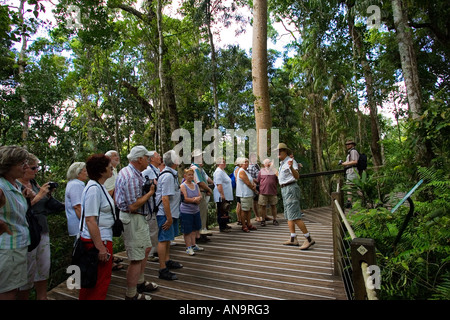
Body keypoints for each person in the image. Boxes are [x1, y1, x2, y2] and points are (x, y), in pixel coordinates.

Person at [115, 145, 158, 300]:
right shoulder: (132, 177)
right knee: (136, 257)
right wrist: (151, 193)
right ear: (140, 159)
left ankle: (140, 282)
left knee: (145, 249)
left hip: (138, 218)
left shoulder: (130, 172)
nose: (149, 160)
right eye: (147, 158)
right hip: (133, 218)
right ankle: (131, 294)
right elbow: (133, 205)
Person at [78, 154, 116, 300]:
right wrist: (100, 247)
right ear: (101, 170)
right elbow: (90, 220)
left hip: (102, 238)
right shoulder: (94, 189)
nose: (111, 168)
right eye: (108, 166)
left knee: (96, 280)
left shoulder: (99, 187)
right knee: (98, 281)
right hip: (98, 242)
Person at [16, 154, 53, 300]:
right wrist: (39, 196)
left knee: (43, 267)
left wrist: (46, 195)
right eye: (33, 167)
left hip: (42, 229)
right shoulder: (14, 186)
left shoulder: (34, 183)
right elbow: (20, 210)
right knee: (28, 269)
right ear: (23, 168)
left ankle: (42, 296)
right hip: (27, 233)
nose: (36, 170)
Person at [0, 145, 30, 300]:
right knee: (8, 292)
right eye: (21, 164)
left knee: (14, 288)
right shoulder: (1, 187)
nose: (26, 167)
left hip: (18, 245)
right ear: (8, 165)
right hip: (8, 247)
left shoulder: (16, 185)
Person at [277, 143, 315, 250]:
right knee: (289, 215)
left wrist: (291, 168)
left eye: (280, 151)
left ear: (285, 152)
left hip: (291, 188)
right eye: (277, 151)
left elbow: (297, 176)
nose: (278, 153)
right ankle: (293, 239)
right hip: (284, 189)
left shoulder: (291, 161)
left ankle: (308, 238)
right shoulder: (282, 164)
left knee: (295, 215)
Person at [155, 150, 183, 280]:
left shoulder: (172, 174)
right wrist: (169, 217)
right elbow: (165, 198)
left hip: (171, 212)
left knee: (167, 240)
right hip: (165, 214)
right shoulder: (167, 176)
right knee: (163, 239)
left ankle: (167, 260)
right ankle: (162, 269)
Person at [103, 150, 123, 271]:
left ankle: (111, 257)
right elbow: (108, 191)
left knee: (111, 234)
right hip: (109, 206)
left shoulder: (115, 171)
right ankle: (108, 260)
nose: (117, 157)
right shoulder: (108, 172)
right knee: (107, 233)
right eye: (114, 155)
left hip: (114, 205)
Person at [142, 150, 161, 262]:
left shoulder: (157, 170)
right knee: (151, 228)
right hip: (149, 204)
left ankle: (155, 250)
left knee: (155, 227)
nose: (160, 157)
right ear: (152, 159)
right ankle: (150, 253)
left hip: (155, 203)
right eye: (158, 156)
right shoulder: (148, 170)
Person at [191, 149, 213, 242]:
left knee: (202, 214)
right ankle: (198, 236)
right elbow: (200, 182)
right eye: (200, 156)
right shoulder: (195, 169)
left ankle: (201, 233)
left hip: (202, 193)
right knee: (200, 215)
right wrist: (209, 189)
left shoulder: (199, 169)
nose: (202, 158)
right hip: (199, 193)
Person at [180, 168, 203, 255]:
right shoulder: (183, 186)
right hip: (186, 211)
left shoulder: (195, 185)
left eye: (192, 175)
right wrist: (194, 200)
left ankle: (194, 245)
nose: (191, 176)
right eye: (189, 175)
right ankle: (188, 247)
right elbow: (185, 199)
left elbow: (200, 195)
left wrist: (198, 198)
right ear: (185, 176)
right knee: (187, 230)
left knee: (194, 229)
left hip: (195, 210)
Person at [65, 162, 88, 240]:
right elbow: (77, 206)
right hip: (79, 226)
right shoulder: (76, 185)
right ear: (78, 173)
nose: (87, 173)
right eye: (85, 171)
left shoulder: (76, 184)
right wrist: (87, 223)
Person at [236, 158, 257, 232]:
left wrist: (254, 185)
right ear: (241, 164)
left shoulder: (246, 171)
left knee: (249, 209)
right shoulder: (241, 171)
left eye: (247, 162)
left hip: (249, 193)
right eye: (245, 162)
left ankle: (249, 223)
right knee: (244, 210)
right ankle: (244, 225)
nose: (246, 163)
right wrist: (254, 188)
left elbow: (251, 180)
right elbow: (247, 182)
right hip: (244, 194)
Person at [256, 158, 279, 226]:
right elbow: (258, 181)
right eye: (266, 163)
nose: (268, 164)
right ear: (264, 164)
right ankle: (263, 220)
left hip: (272, 191)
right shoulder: (261, 171)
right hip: (263, 192)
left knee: (273, 205)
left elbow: (278, 180)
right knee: (262, 206)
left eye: (269, 162)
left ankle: (275, 219)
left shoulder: (274, 171)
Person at [213, 157, 233, 232]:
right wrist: (222, 194)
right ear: (218, 163)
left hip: (226, 194)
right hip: (221, 195)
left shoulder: (222, 171)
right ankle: (222, 227)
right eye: (222, 162)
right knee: (221, 211)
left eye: (225, 162)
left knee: (225, 210)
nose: (224, 163)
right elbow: (219, 184)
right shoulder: (218, 172)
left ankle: (225, 224)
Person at [340, 140, 360, 208]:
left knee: (350, 187)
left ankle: (349, 202)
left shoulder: (353, 151)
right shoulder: (350, 153)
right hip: (350, 171)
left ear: (353, 145)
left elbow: (355, 161)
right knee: (356, 188)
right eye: (347, 144)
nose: (348, 145)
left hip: (352, 171)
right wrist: (344, 163)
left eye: (349, 144)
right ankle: (364, 199)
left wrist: (344, 164)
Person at [248, 152, 261, 222]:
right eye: (253, 157)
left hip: (260, 185)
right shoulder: (249, 167)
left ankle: (263, 215)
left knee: (261, 201)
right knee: (255, 202)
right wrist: (257, 180)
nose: (254, 158)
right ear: (250, 158)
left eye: (255, 157)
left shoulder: (257, 165)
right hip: (254, 185)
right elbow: (250, 178)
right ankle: (257, 216)